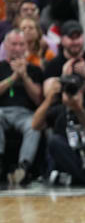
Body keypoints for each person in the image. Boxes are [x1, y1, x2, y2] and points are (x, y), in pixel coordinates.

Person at [31, 73, 85, 187]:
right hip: (69, 154)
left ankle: (74, 179)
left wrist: (78, 109)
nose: (71, 94)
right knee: (54, 141)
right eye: (67, 90)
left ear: (82, 91)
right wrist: (49, 99)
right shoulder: (58, 109)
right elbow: (35, 125)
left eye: (74, 90)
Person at [0, 30, 43, 185]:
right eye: (13, 44)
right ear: (5, 45)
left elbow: (38, 99)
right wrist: (13, 78)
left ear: (26, 46)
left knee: (35, 124)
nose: (17, 48)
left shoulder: (35, 70)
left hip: (25, 114)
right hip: (2, 112)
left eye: (21, 44)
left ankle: (24, 167)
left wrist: (24, 76)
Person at [43, 20, 85, 103]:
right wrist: (63, 78)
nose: (75, 42)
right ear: (62, 39)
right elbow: (49, 98)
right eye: (71, 38)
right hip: (61, 108)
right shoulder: (53, 64)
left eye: (78, 37)